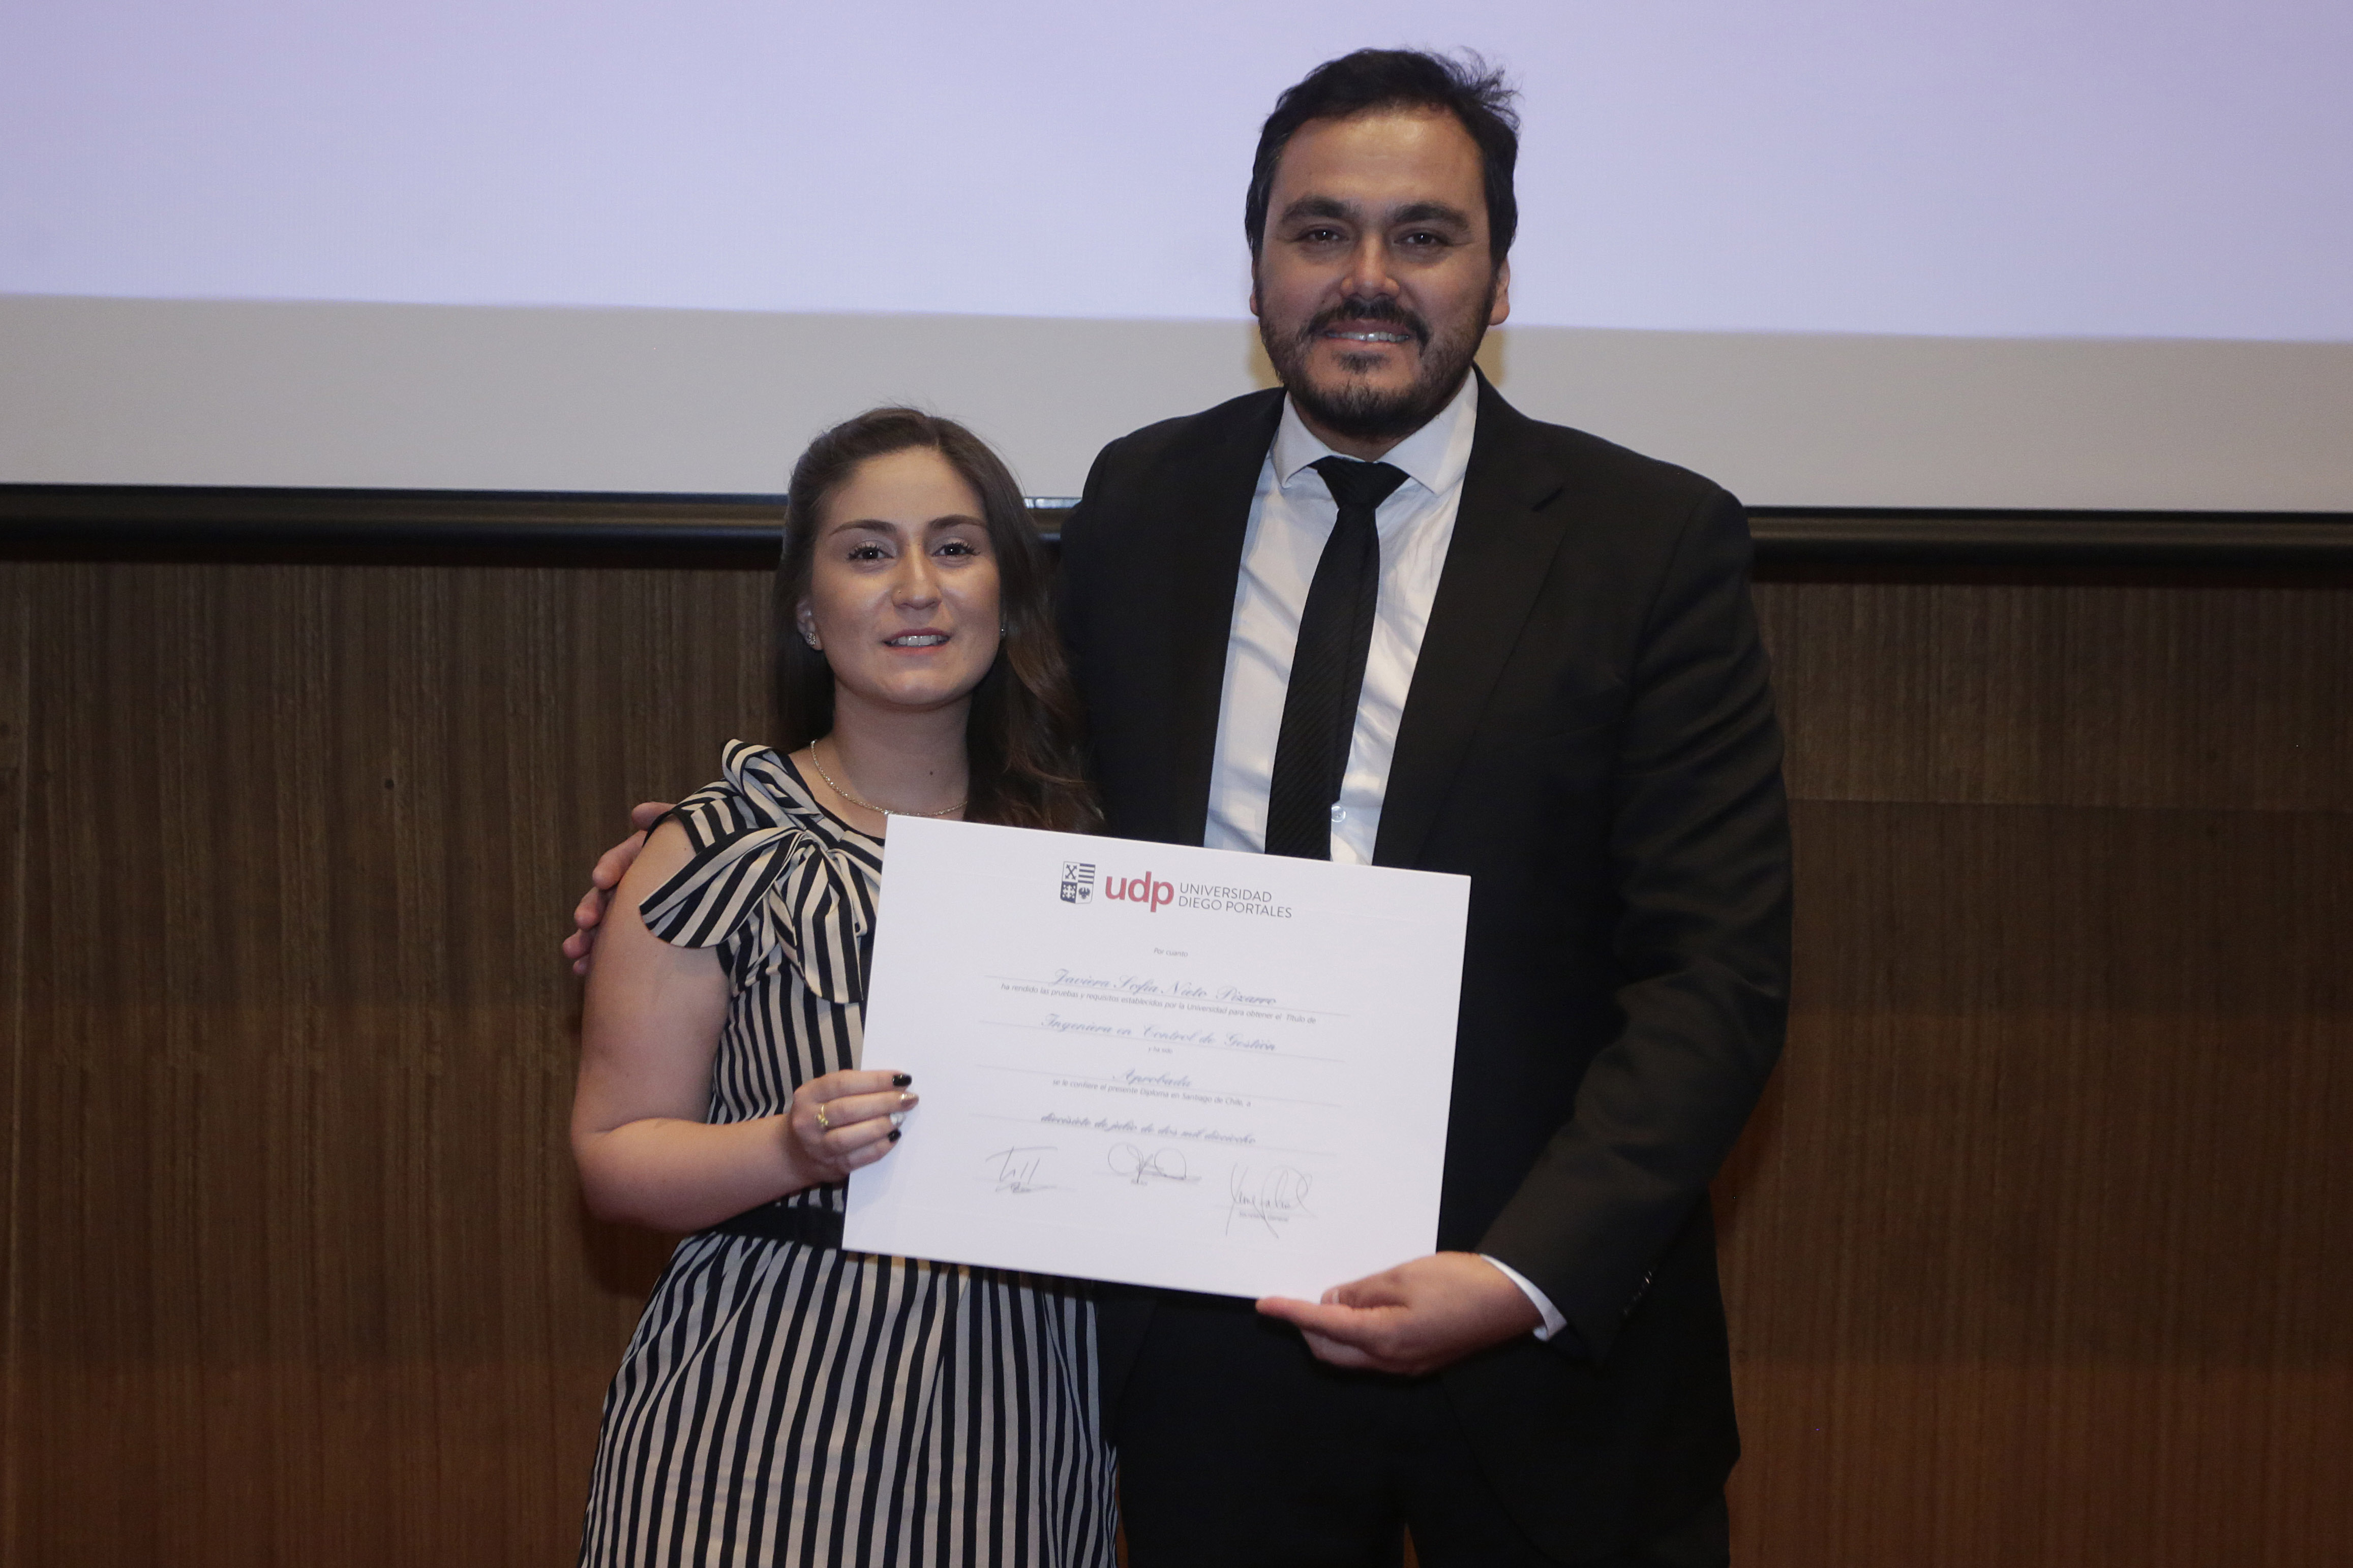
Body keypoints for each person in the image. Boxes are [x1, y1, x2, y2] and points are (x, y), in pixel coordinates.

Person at [572, 48, 1790, 1568]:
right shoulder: (1144, 503)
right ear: (1258, 262)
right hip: (1208, 1362)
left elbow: (1714, 974)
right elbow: (1002, 780)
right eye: (1318, 231)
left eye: (1422, 234)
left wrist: (1521, 1272)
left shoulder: (1648, 541)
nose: (1366, 276)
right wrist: (696, 861)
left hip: (1544, 1362)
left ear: (1497, 274)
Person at [569, 407, 1113, 1567]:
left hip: (1024, 1422)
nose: (916, 587)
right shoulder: (717, 843)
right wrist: (790, 1146)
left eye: (955, 548)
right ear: (810, 613)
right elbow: (614, 1154)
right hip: (758, 1420)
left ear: (1008, 596)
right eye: (869, 552)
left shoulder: (1096, 854)